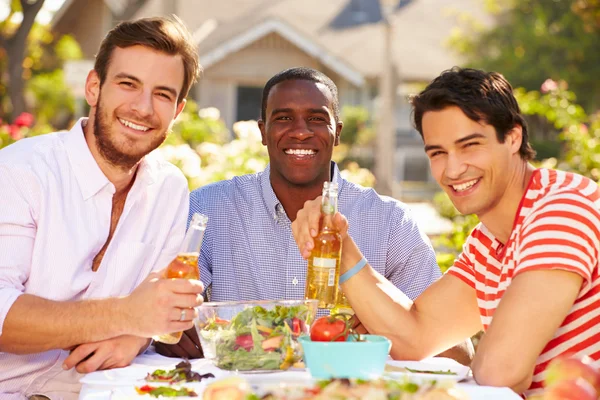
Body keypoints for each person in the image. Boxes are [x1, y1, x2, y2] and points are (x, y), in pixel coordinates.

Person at [291, 67, 600, 397]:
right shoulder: (488, 241)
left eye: (469, 145)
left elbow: (501, 372)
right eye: (438, 152)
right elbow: (417, 336)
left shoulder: (561, 208)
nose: (452, 170)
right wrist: (341, 246)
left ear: (513, 137)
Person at [155, 67, 473, 364]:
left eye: (316, 119)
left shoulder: (390, 222)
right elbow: (163, 313)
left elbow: (456, 354)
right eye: (283, 118)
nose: (301, 132)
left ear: (337, 133)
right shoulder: (208, 209)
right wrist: (171, 330)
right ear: (263, 132)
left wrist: (387, 328)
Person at [0, 17, 205, 399]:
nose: (143, 108)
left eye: (162, 94)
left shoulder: (169, 188)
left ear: (177, 111)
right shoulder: (19, 173)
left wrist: (135, 335)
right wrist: (129, 315)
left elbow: (161, 303)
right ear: (94, 87)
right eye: (128, 84)